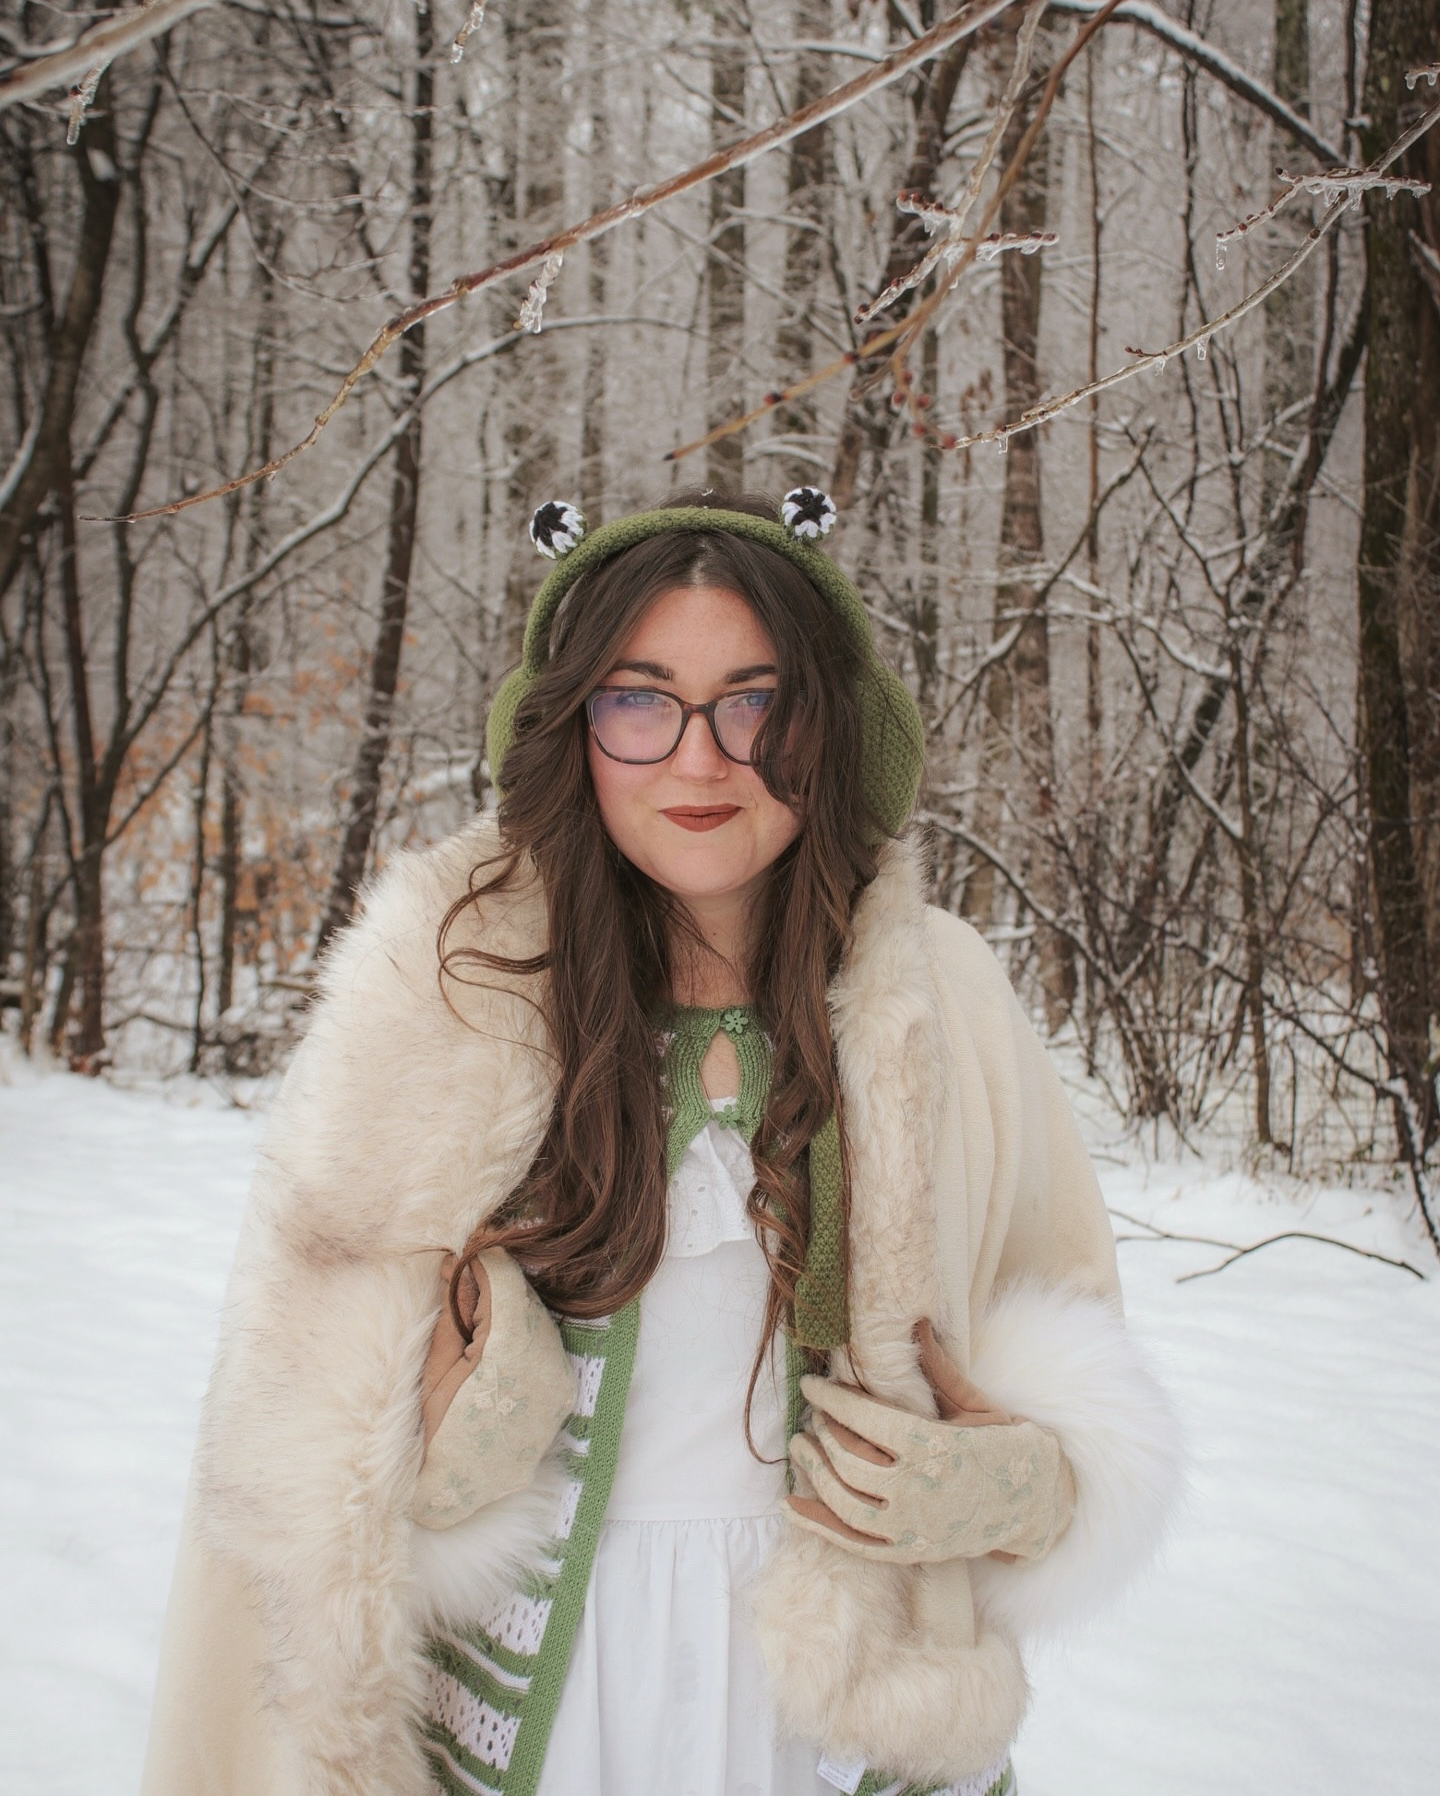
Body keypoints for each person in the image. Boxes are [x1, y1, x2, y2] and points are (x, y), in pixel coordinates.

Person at [141, 488, 1182, 1796]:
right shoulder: (443, 990)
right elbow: (288, 1455)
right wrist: (450, 1437)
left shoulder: (943, 1002)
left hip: (823, 1709)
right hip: (530, 1703)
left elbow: (1065, 1330)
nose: (702, 760)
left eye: (757, 702)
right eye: (640, 701)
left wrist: (1032, 1485)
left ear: (829, 733)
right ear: (573, 729)